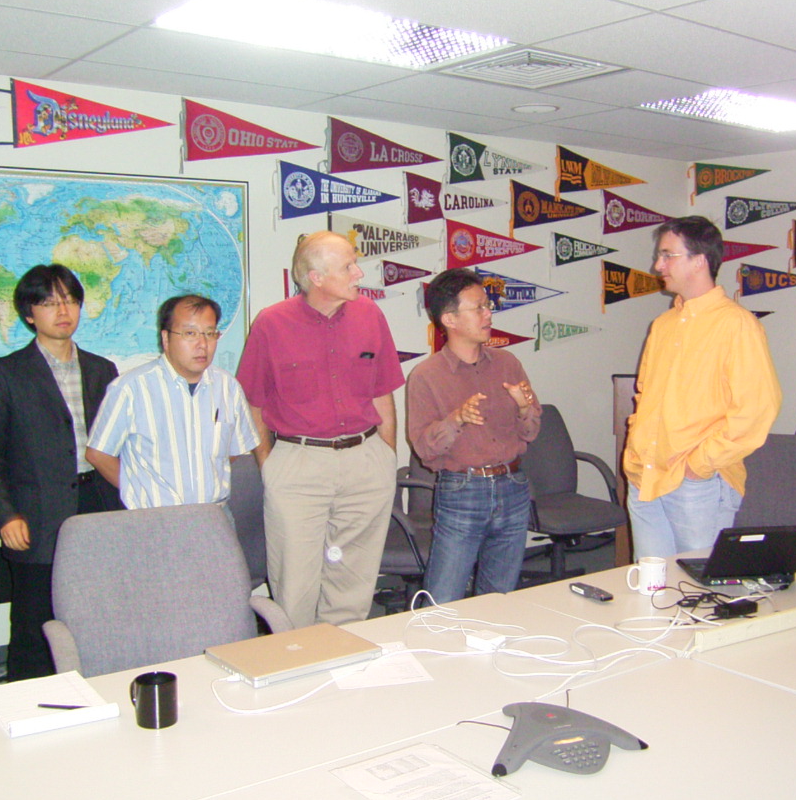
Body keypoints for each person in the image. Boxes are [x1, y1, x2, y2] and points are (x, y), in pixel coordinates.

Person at [237, 231, 404, 628]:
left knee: (354, 582)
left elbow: (382, 392)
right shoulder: (271, 323)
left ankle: (344, 653)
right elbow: (252, 404)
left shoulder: (370, 315)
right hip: (298, 464)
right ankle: (297, 656)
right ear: (316, 277)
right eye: (348, 267)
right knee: (294, 585)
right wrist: (269, 466)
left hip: (366, 461)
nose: (359, 273)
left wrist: (386, 457)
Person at [0, 264, 121, 681]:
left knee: (101, 612)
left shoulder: (103, 370)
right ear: (28, 313)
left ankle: (98, 692)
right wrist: (5, 515)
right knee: (34, 624)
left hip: (99, 506)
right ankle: (28, 704)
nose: (63, 311)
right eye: (50, 303)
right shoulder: (5, 374)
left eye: (70, 301)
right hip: (36, 515)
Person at [623, 216, 782, 558]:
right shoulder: (663, 325)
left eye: (667, 255)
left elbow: (757, 409)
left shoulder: (736, 324)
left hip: (696, 483)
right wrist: (636, 452)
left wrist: (699, 465)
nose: (658, 265)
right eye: (659, 256)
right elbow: (645, 397)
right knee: (651, 582)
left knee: (694, 583)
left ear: (699, 260)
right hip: (644, 476)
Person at [406, 268, 541, 603]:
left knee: (499, 598)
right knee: (443, 598)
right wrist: (456, 419)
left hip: (513, 486)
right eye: (478, 307)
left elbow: (531, 432)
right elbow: (424, 449)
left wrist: (525, 408)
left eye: (488, 306)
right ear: (449, 319)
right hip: (462, 491)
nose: (488, 314)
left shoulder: (507, 363)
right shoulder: (426, 376)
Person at [86, 294, 257, 509]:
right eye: (190, 333)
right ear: (166, 339)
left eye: (210, 333)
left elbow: (235, 450)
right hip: (156, 516)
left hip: (214, 514)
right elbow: (98, 453)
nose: (202, 344)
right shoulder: (130, 388)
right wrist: (137, 490)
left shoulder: (228, 387)